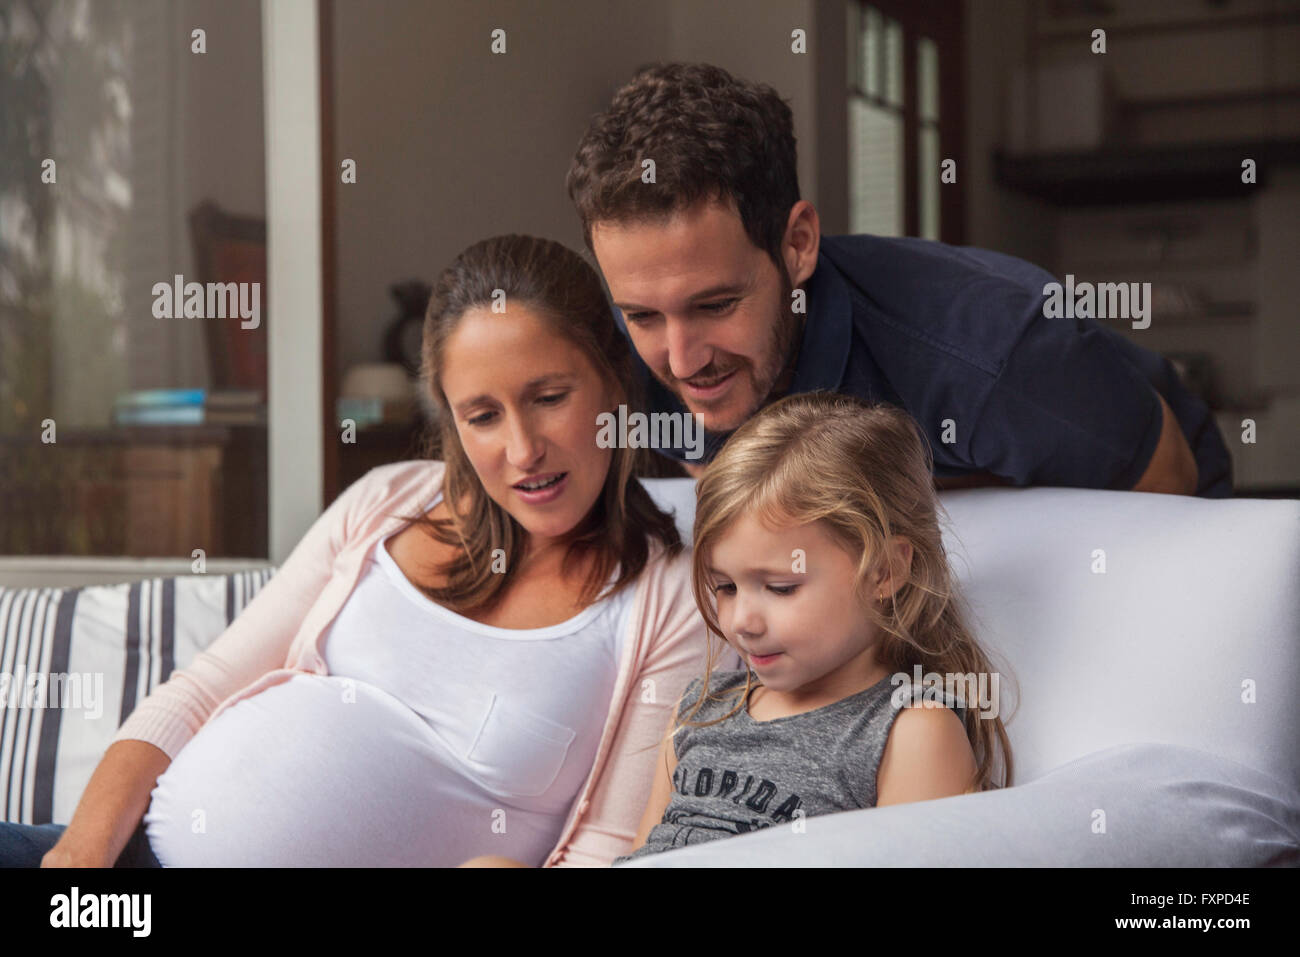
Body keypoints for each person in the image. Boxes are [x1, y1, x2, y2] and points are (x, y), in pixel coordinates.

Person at [0, 234, 738, 868]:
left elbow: (613, 844)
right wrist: (79, 860)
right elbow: (199, 689)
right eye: (482, 414)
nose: (521, 450)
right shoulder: (389, 499)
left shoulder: (673, 588)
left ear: (615, 384)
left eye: (549, 396)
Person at [564, 62, 1232, 497]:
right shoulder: (621, 351)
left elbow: (1168, 481)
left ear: (797, 245)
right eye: (644, 315)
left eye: (716, 304)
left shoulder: (993, 355)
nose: (680, 360)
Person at [461, 391, 1015, 868]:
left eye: (780, 588)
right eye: (725, 587)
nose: (740, 622)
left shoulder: (909, 729)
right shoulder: (702, 706)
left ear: (886, 572)